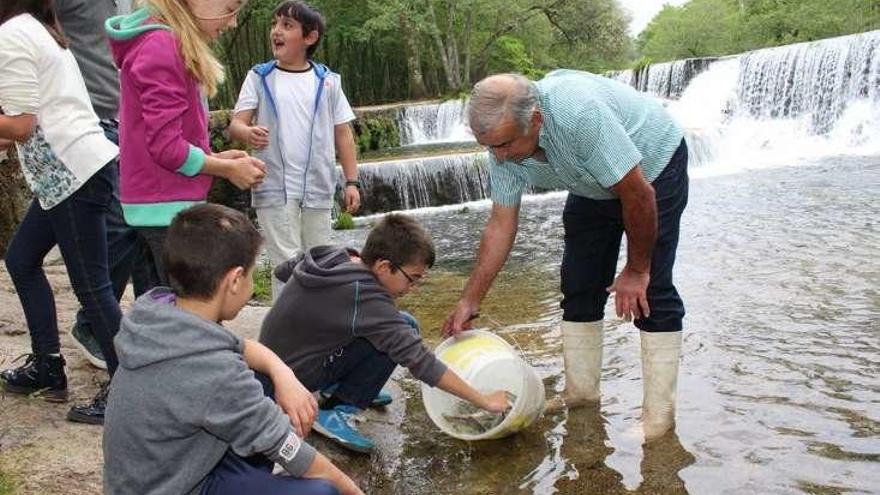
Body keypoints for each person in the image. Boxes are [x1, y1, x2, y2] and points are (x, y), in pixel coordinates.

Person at [442, 71, 689, 441]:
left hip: (652, 170)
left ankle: (658, 419)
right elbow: (500, 225)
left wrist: (637, 270)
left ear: (536, 119)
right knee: (578, 285)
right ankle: (582, 393)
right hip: (590, 182)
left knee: (651, 291)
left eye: (505, 145)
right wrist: (469, 300)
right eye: (488, 146)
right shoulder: (503, 146)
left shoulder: (578, 115)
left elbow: (638, 195)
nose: (498, 156)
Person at [103, 203, 362, 495]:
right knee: (322, 492)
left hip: (164, 470)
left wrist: (283, 373)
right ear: (235, 280)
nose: (252, 285)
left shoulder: (160, 311)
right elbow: (294, 454)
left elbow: (241, 347)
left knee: (262, 380)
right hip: (178, 486)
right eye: (251, 276)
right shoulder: (214, 372)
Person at [260, 214, 510, 453]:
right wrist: (484, 401)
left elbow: (284, 269)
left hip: (274, 364)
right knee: (405, 328)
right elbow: (422, 362)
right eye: (412, 279)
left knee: (401, 322)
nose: (413, 288)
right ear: (383, 266)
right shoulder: (366, 298)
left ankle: (341, 385)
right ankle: (338, 409)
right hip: (290, 381)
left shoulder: (337, 254)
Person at [0, 1, 122, 421]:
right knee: (21, 260)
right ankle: (48, 367)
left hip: (73, 172)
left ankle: (128, 389)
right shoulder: (34, 28)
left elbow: (21, 124)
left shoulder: (12, 34)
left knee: (92, 286)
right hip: (68, 173)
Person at [105, 0, 266, 285]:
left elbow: (161, 138)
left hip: (154, 205)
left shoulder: (158, 42)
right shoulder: (162, 48)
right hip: (165, 210)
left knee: (160, 312)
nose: (232, 22)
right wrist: (224, 170)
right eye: (230, 8)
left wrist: (215, 157)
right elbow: (166, 148)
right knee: (184, 314)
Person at [56, 0, 158, 424]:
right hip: (88, 121)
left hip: (126, 118)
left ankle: (148, 341)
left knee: (141, 236)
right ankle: (100, 332)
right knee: (119, 229)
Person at [228, 0, 360, 300]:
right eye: (275, 24)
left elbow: (344, 134)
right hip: (273, 186)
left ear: (309, 38)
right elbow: (236, 124)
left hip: (318, 186)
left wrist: (352, 181)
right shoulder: (259, 77)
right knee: (286, 264)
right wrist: (247, 132)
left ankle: (316, 330)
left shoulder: (327, 82)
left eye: (286, 26)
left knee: (321, 261)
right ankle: (285, 336)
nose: (276, 31)